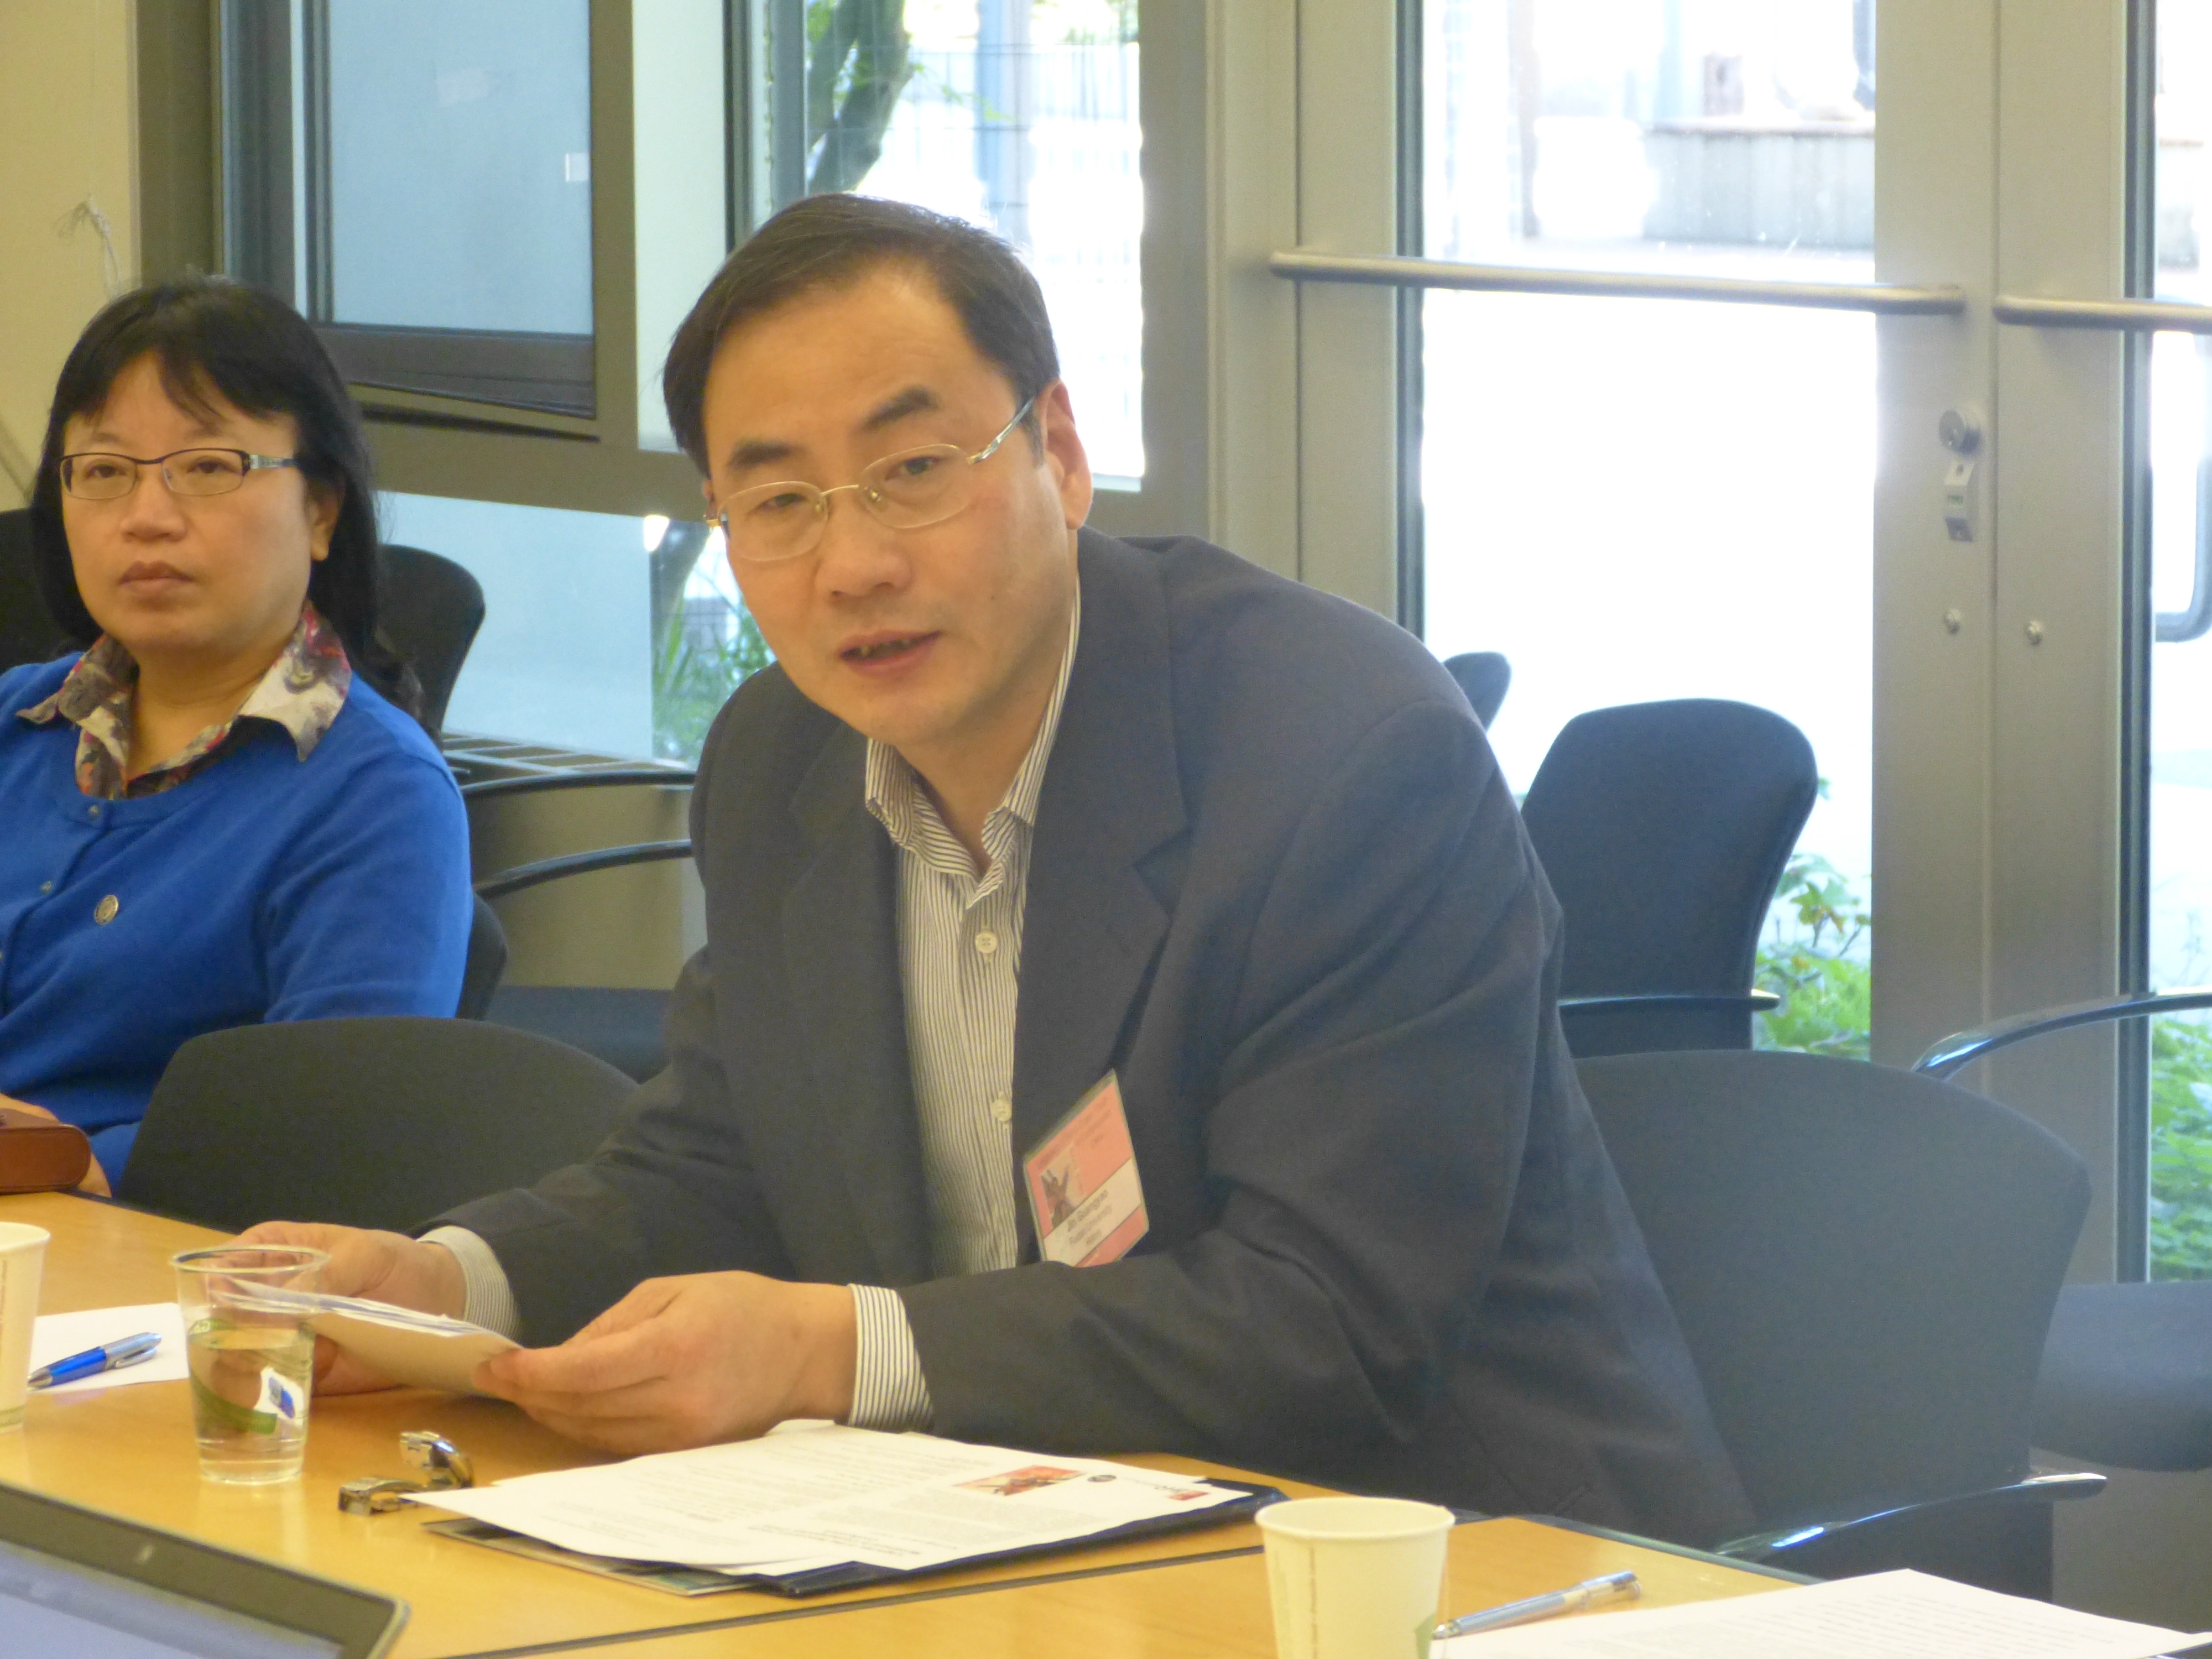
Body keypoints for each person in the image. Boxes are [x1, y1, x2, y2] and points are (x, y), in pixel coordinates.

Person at [247, 196, 1751, 1544]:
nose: (853, 565)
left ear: (1061, 453)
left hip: (1468, 1562)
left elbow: (1329, 1322)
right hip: (1007, 1537)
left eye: (912, 470)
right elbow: (719, 1160)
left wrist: (832, 1351)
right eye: (779, 502)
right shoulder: (780, 756)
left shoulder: (1345, 756)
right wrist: (452, 1284)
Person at [0, 278, 473, 1187]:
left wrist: (62, 1165)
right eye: (104, 472)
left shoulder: (377, 797)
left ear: (322, 509)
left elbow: (333, 1129)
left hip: (143, 1249)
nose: (148, 517)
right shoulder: (17, 721)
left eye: (208, 466)